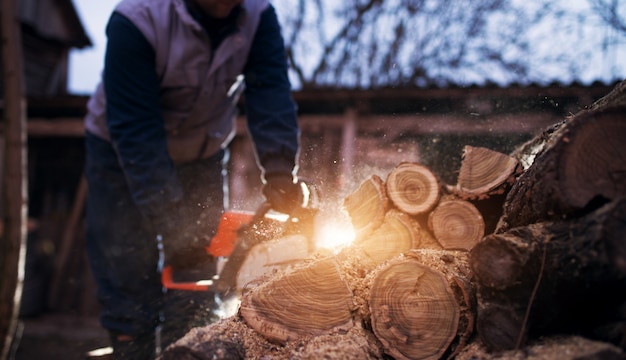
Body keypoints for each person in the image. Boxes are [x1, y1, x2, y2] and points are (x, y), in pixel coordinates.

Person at [83, 0, 303, 358]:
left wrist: (280, 170)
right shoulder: (136, 20)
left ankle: (187, 344)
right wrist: (172, 218)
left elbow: (270, 90)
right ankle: (131, 346)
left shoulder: (259, 16)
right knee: (126, 261)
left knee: (197, 262)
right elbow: (137, 132)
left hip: (201, 151)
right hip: (121, 151)